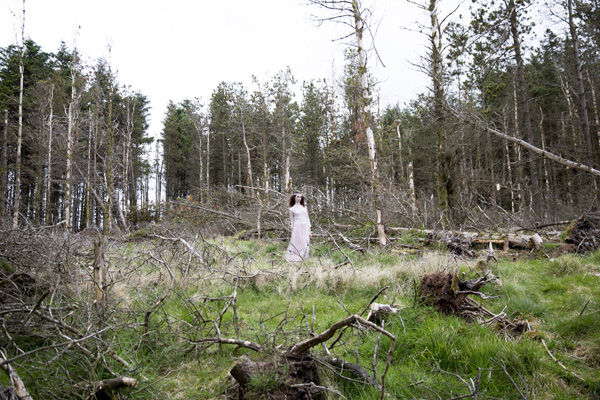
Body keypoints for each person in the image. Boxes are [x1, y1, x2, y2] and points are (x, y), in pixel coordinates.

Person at [285, 192, 312, 262]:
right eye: (298, 197)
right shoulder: (291, 209)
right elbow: (292, 221)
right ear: (294, 197)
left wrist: (310, 231)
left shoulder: (304, 207)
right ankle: (295, 259)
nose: (299, 198)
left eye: (300, 197)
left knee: (305, 243)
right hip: (297, 227)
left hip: (305, 227)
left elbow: (307, 219)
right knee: (297, 242)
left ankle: (304, 258)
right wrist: (292, 231)